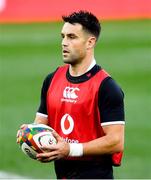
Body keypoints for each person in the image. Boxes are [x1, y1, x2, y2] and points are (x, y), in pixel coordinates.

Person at [17, 10, 125, 179]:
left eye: (72, 37)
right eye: (63, 36)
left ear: (90, 42)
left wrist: (70, 149)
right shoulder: (52, 79)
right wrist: (30, 133)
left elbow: (116, 141)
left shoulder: (106, 87)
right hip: (62, 174)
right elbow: (41, 124)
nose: (64, 43)